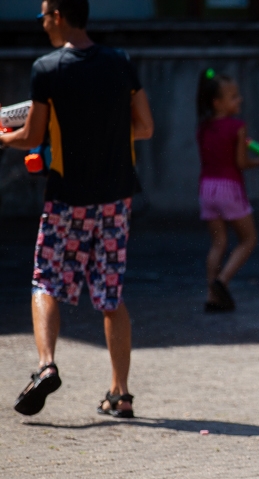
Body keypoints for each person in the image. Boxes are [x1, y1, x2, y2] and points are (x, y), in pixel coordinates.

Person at [5, 0, 154, 419]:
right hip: (116, 197)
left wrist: (2, 136)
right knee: (110, 293)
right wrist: (106, 131)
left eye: (43, 17)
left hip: (67, 196)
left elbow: (31, 135)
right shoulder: (120, 62)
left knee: (46, 280)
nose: (42, 25)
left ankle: (47, 366)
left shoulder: (47, 69)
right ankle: (120, 394)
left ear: (57, 16)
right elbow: (145, 127)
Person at [196, 69, 259, 312]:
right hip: (229, 188)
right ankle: (222, 281)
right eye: (234, 97)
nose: (240, 100)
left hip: (206, 189)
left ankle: (212, 296)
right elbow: (241, 163)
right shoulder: (237, 127)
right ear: (217, 102)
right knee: (248, 239)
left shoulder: (203, 128)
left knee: (218, 243)